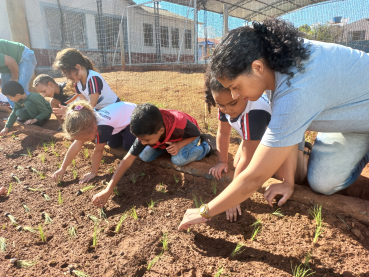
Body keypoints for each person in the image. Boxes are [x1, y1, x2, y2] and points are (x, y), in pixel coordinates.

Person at [178, 18, 369, 230]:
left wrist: (205, 211)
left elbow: (254, 177)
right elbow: (287, 130)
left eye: (235, 86)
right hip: (346, 117)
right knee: (323, 183)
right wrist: (288, 183)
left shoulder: (296, 90)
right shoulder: (278, 65)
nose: (235, 95)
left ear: (257, 67)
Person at [205, 73, 311, 222]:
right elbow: (223, 133)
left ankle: (304, 153)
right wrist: (221, 161)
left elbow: (247, 158)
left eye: (232, 104)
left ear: (242, 95)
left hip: (286, 137)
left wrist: (232, 198)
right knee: (237, 166)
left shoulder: (254, 114)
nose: (226, 109)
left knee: (291, 176)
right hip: (257, 137)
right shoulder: (225, 103)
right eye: (220, 105)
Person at [91, 103, 215, 208]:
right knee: (144, 155)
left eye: (146, 140)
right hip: (166, 141)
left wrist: (178, 145)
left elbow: (195, 134)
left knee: (178, 159)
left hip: (187, 137)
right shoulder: (145, 133)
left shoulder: (180, 122)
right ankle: (166, 147)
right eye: (140, 140)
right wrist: (108, 189)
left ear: (160, 131)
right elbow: (126, 160)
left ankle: (207, 146)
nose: (143, 143)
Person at [51, 100, 136, 184]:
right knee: (113, 144)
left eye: (86, 138)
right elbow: (75, 146)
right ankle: (122, 132)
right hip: (119, 117)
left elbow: (98, 151)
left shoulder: (102, 127)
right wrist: (62, 168)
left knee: (128, 146)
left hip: (133, 117)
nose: (84, 141)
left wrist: (93, 172)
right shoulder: (87, 122)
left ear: (95, 129)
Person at [52, 48, 120, 115]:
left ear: (78, 67)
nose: (67, 76)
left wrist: (71, 110)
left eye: (67, 72)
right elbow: (84, 104)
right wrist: (71, 109)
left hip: (115, 109)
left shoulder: (93, 79)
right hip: (102, 112)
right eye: (64, 73)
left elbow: (90, 106)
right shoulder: (77, 84)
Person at [0, 39, 37, 107]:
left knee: (19, 88)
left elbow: (11, 61)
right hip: (7, 65)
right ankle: (17, 113)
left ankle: (28, 112)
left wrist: (15, 77)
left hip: (23, 58)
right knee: (6, 90)